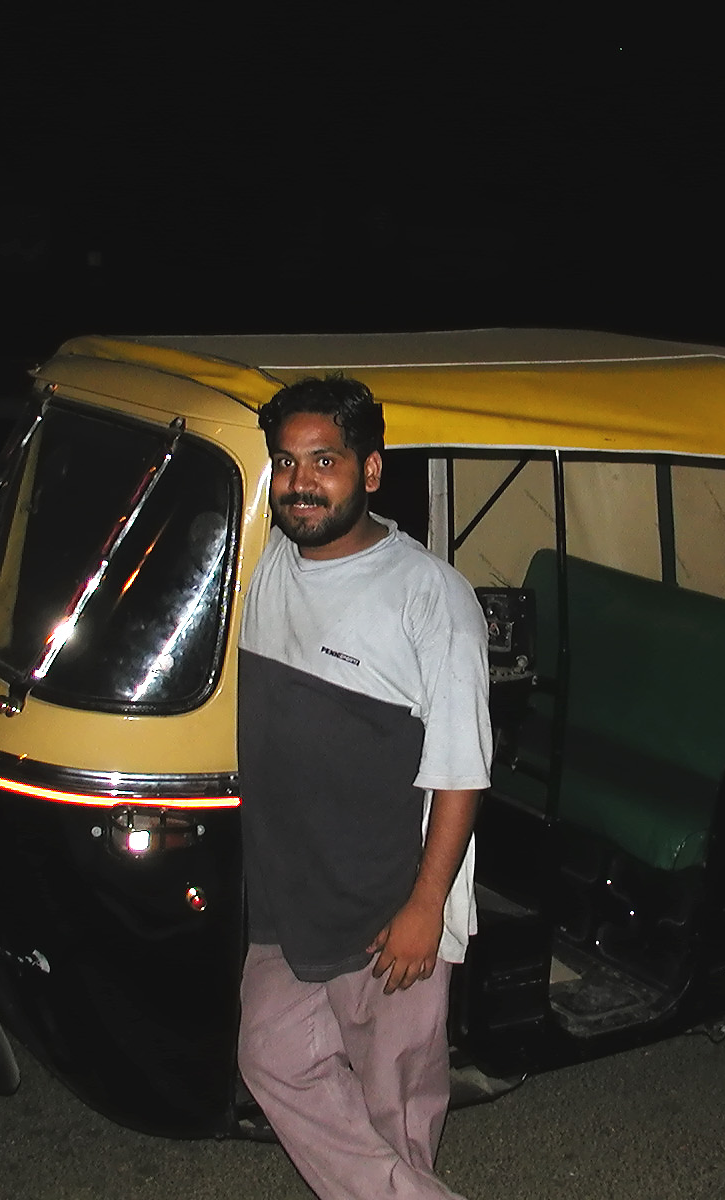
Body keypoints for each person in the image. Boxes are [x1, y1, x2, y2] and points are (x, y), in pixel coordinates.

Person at [235, 374, 492, 1200]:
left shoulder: (432, 599)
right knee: (271, 1055)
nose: (300, 483)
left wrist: (426, 908)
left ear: (371, 472)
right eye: (285, 463)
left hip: (390, 909)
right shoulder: (274, 564)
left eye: (324, 462)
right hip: (290, 894)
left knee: (398, 1107)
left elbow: (460, 771)